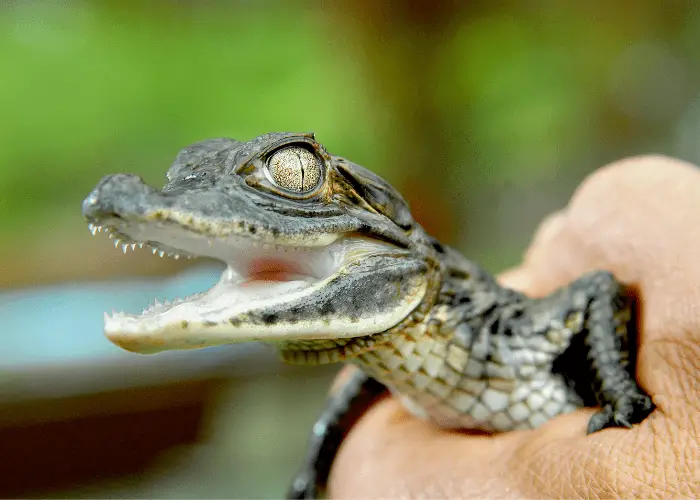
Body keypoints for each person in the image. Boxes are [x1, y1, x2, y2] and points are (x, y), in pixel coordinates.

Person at [329, 156, 699, 499]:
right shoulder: (375, 358)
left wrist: (619, 395)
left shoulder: (500, 331)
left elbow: (597, 291)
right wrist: (319, 461)